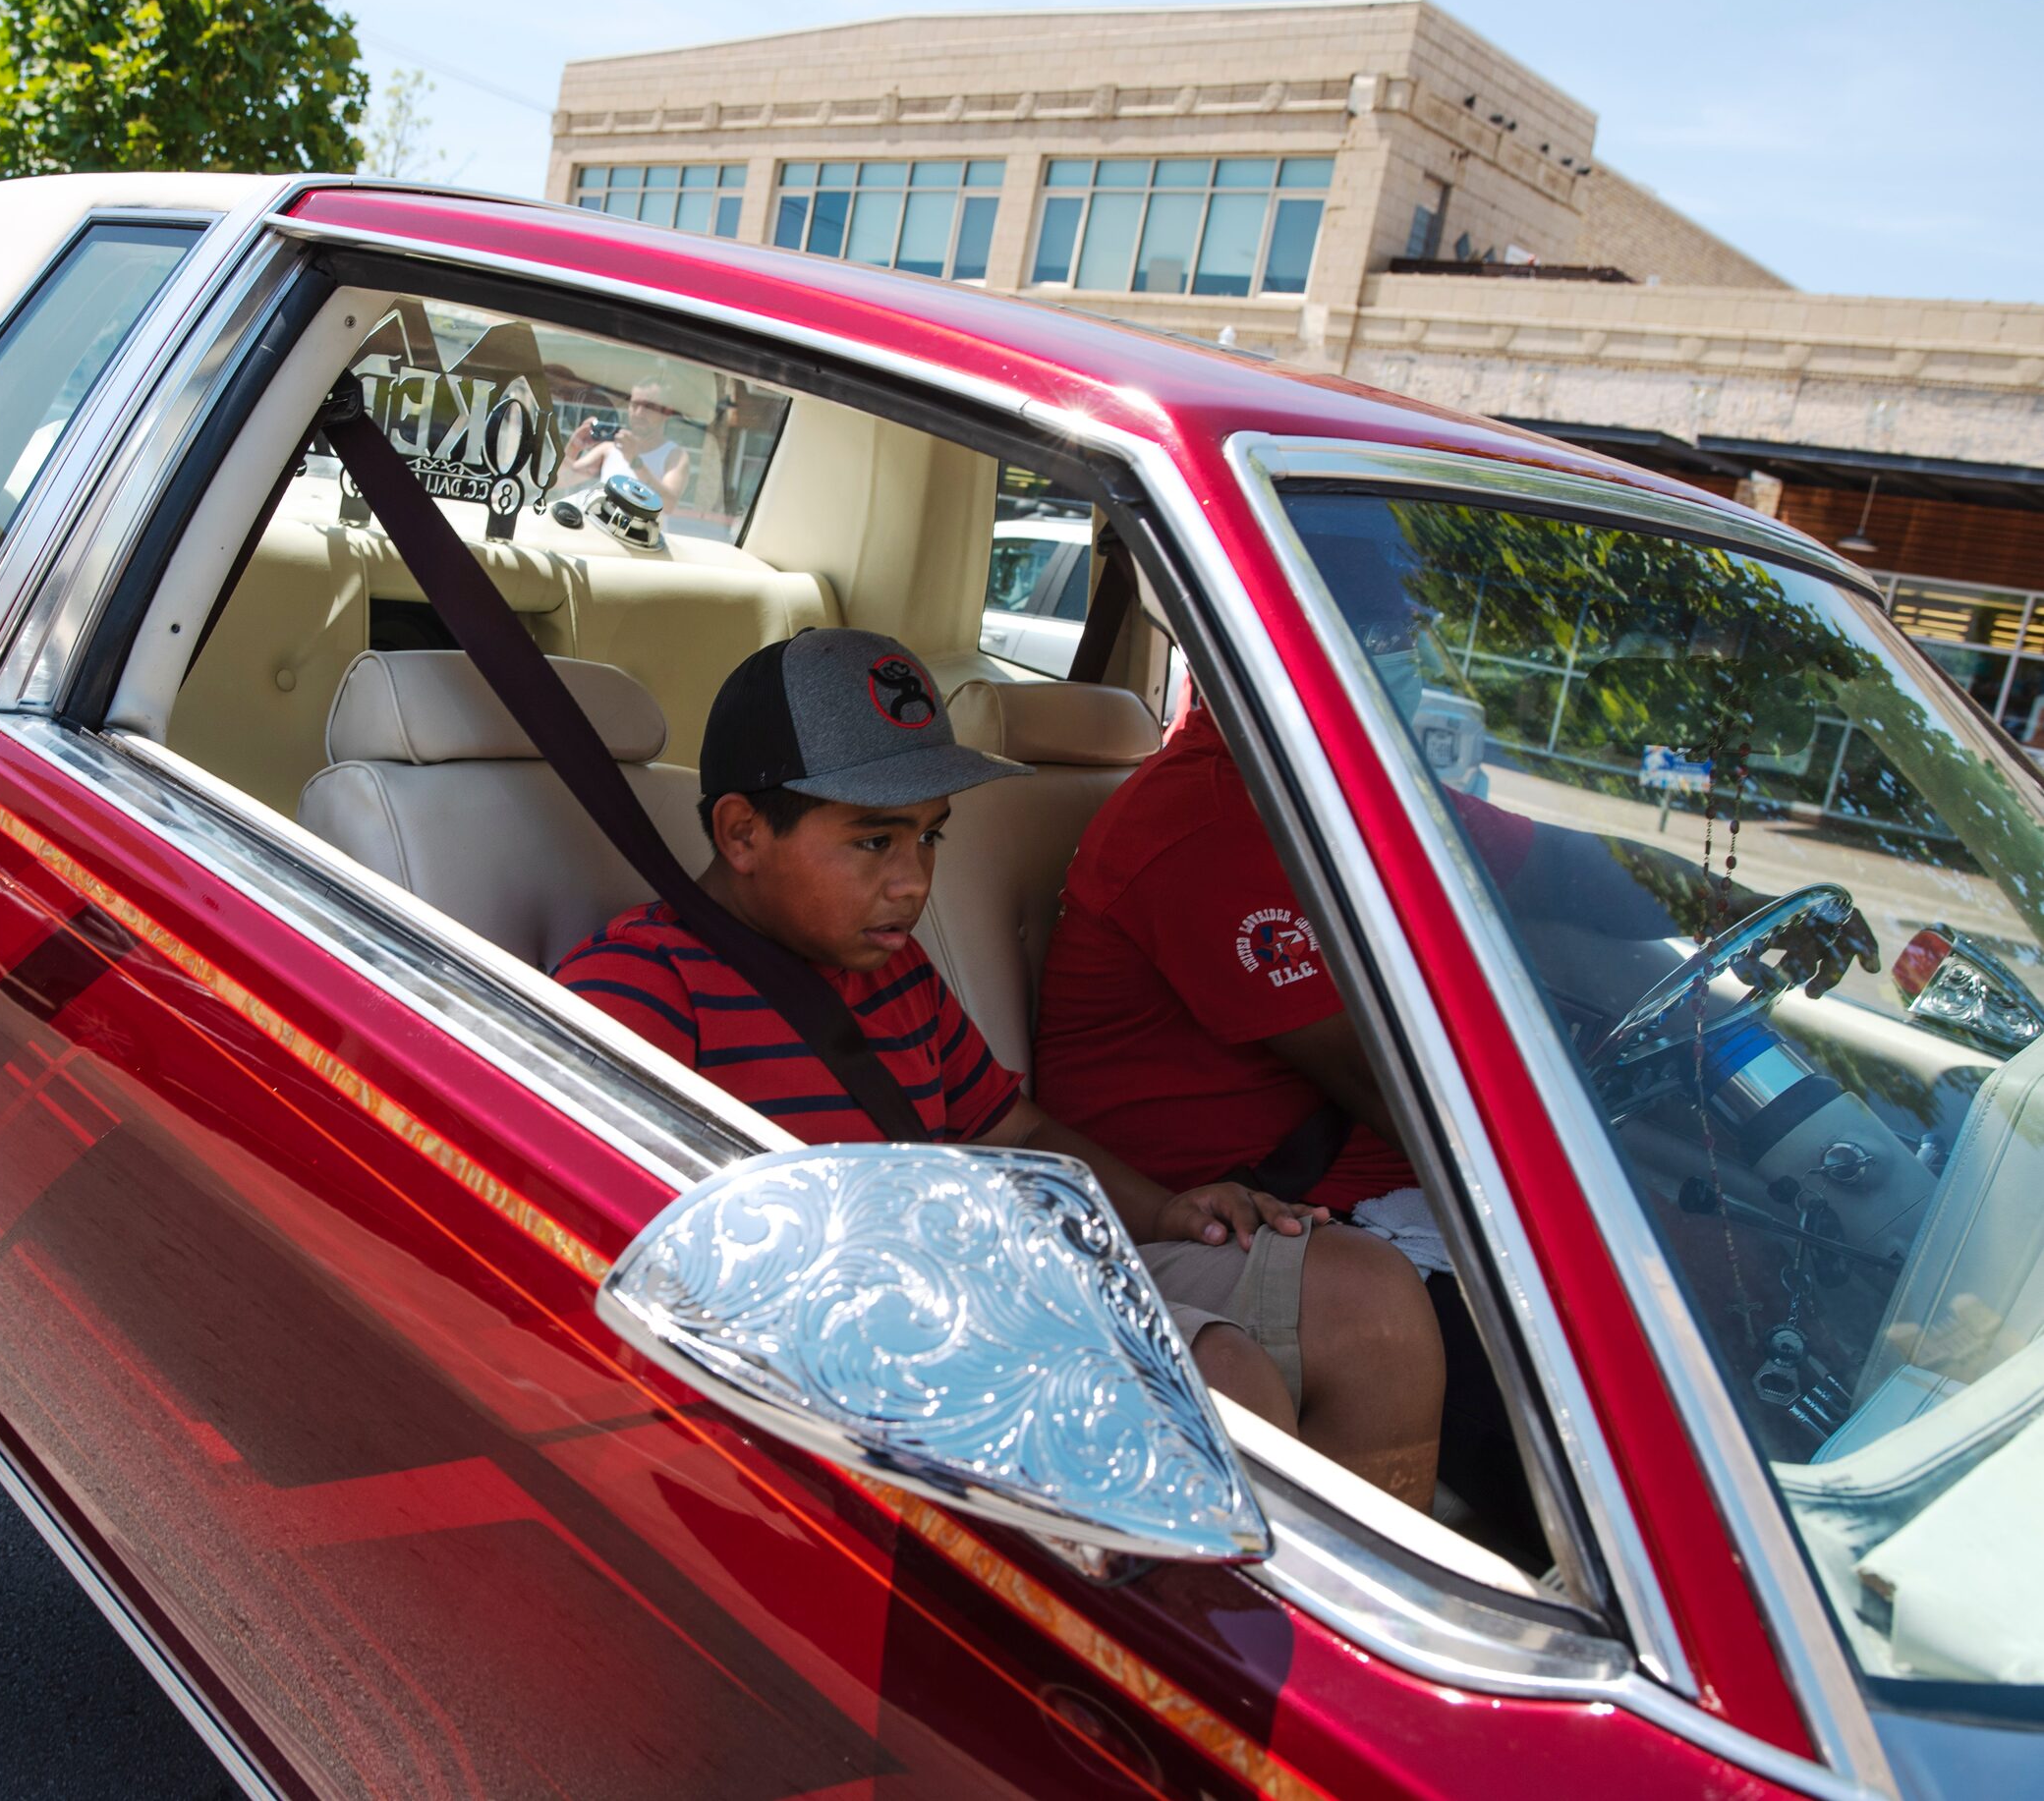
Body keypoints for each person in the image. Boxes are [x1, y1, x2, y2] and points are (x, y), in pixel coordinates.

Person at [1032, 558, 1876, 1547]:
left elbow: (1560, 868)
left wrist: (1733, 904)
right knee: (1641, 1461)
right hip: (1253, 1216)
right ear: (1288, 647)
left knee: (1738, 1298)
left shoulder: (1345, 786)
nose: (1401, 655)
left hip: (1379, 1200)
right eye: (1378, 636)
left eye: (1403, 633)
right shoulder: (1202, 820)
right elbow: (1405, 1098)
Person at [554, 627, 1445, 1506]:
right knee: (1215, 1377)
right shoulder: (643, 988)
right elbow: (627, 1248)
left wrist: (1164, 1208)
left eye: (929, 839)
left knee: (1366, 1298)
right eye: (874, 842)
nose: (912, 882)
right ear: (742, 833)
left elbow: (1007, 1128)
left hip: (977, 1268)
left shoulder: (889, 968)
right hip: (837, 1343)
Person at [558, 376, 693, 510]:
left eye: (649, 406)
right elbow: (560, 481)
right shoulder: (609, 449)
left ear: (666, 413)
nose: (639, 413)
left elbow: (668, 505)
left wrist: (635, 462)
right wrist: (574, 446)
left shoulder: (675, 456)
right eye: (635, 404)